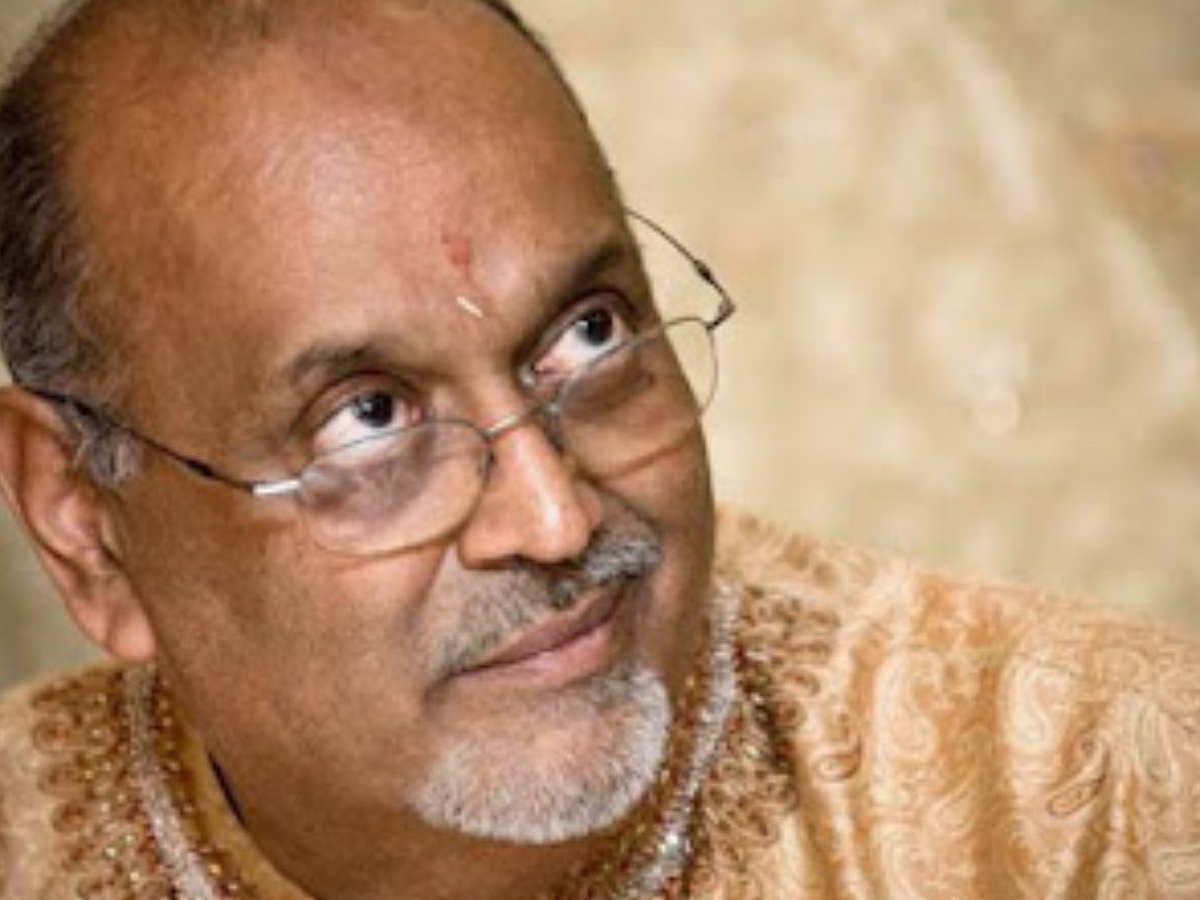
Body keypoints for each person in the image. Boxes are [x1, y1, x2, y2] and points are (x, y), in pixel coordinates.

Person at [0, 0, 1196, 898]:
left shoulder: (1109, 801)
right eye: (368, 418)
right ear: (85, 526)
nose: (554, 517)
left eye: (588, 334)